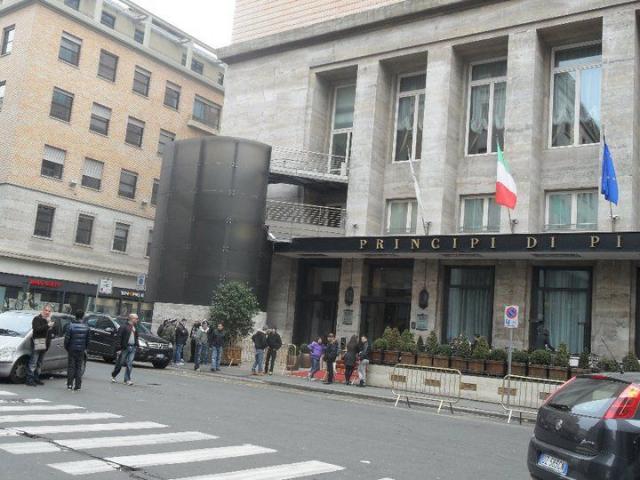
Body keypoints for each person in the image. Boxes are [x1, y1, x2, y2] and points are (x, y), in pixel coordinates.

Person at [26, 304, 55, 387]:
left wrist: (49, 323)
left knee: (39, 363)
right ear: (43, 310)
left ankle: (36, 378)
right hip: (37, 342)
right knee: (33, 362)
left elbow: (52, 333)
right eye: (46, 310)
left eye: (49, 311)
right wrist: (47, 325)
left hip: (45, 344)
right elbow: (37, 329)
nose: (47, 312)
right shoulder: (37, 319)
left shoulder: (49, 320)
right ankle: (29, 379)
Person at [64, 310, 90, 391]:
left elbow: (67, 339)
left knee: (71, 367)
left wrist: (67, 348)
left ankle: (69, 385)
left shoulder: (70, 326)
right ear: (82, 316)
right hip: (81, 349)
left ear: (75, 316)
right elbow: (88, 340)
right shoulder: (86, 327)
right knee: (79, 367)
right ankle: (78, 386)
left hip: (72, 349)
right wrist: (85, 348)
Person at [111, 314, 139, 386]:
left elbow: (136, 337)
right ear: (131, 319)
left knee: (129, 364)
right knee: (120, 363)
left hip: (133, 347)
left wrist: (137, 345)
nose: (137, 320)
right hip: (124, 348)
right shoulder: (123, 327)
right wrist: (119, 348)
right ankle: (114, 375)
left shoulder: (135, 327)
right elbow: (119, 338)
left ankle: (127, 380)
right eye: (136, 318)